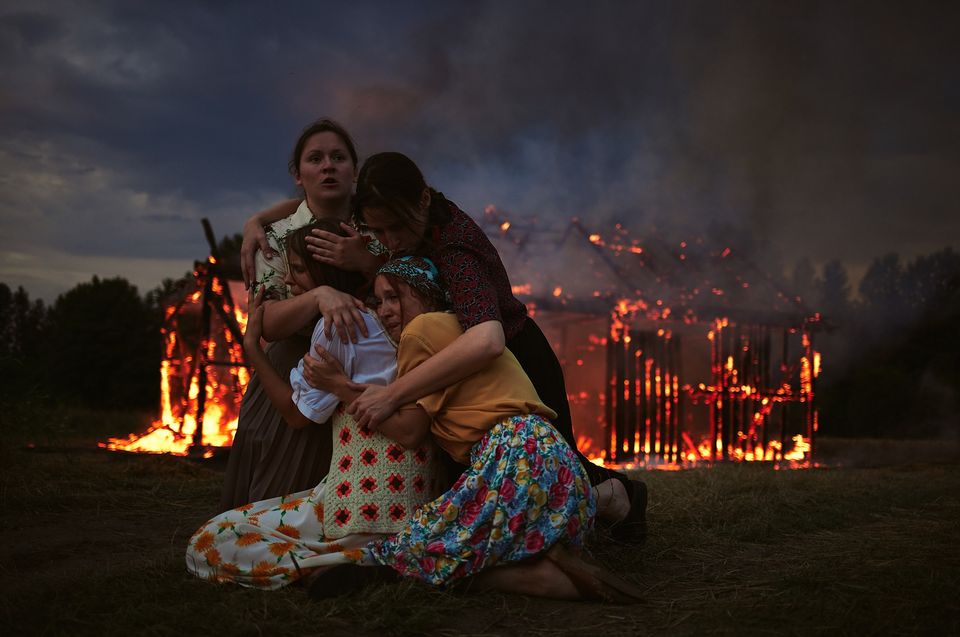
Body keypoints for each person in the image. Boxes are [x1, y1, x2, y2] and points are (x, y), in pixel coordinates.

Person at [292, 151, 647, 540]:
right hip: (454, 362)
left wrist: (392, 394)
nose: (389, 241)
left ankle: (617, 498)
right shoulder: (413, 222)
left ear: (423, 199)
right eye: (378, 232)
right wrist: (262, 224)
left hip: (516, 360)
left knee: (549, 466)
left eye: (395, 227)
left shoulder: (456, 249)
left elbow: (487, 339)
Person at [305, 257, 640, 601]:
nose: (386, 311)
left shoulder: (419, 331)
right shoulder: (461, 327)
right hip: (552, 459)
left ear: (427, 296)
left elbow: (409, 431)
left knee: (421, 543)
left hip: (513, 457)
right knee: (454, 538)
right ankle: (542, 562)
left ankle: (539, 579)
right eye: (379, 301)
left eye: (395, 297)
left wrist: (339, 386)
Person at [188, 225, 436, 589]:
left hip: (359, 505)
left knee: (208, 541)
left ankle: (335, 564)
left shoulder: (338, 325)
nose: (288, 278)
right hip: (412, 501)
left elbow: (296, 415)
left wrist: (255, 351)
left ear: (327, 275)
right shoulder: (407, 327)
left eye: (300, 269)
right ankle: (364, 559)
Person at [220, 119, 382, 510]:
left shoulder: (378, 226)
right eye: (315, 158)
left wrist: (369, 262)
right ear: (298, 175)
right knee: (282, 495)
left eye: (338, 157)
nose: (328, 166)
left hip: (375, 371)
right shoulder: (274, 238)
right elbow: (267, 325)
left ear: (354, 171)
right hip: (299, 371)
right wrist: (318, 296)